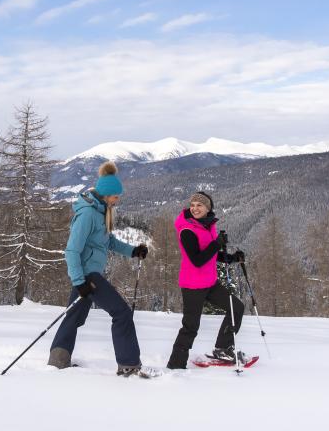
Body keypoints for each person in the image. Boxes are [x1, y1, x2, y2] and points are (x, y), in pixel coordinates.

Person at [48, 161, 153, 377]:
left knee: (74, 317)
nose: (118, 199)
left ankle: (58, 360)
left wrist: (133, 251)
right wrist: (79, 281)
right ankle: (129, 364)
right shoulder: (87, 214)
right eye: (115, 196)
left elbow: (109, 242)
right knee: (122, 313)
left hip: (88, 275)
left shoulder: (100, 211)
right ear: (105, 194)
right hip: (88, 276)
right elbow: (72, 250)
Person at [167, 191, 247, 370]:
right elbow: (197, 259)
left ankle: (223, 349)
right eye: (193, 204)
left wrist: (232, 258)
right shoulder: (187, 230)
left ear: (207, 208)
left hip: (209, 282)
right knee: (190, 327)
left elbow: (210, 255)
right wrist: (216, 244)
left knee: (236, 308)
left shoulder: (205, 226)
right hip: (192, 285)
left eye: (199, 205)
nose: (195, 208)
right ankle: (175, 365)